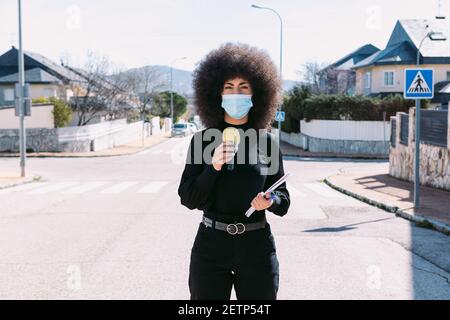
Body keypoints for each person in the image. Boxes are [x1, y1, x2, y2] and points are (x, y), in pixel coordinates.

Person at [177, 42, 290, 300]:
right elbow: (188, 198)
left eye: (243, 87)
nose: (235, 93)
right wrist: (213, 167)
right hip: (211, 246)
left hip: (256, 246)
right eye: (229, 87)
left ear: (257, 93)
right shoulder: (202, 141)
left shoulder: (267, 142)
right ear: (217, 93)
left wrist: (270, 201)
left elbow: (283, 199)